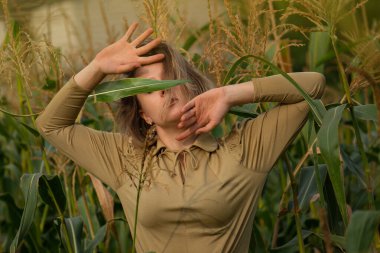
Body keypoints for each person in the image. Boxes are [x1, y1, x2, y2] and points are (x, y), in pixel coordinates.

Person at [36, 23, 325, 253]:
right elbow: (52, 126)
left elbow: (313, 87)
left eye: (171, 77)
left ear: (191, 87)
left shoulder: (244, 150)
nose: (163, 90)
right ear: (143, 114)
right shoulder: (125, 158)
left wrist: (229, 94)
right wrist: (97, 67)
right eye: (150, 87)